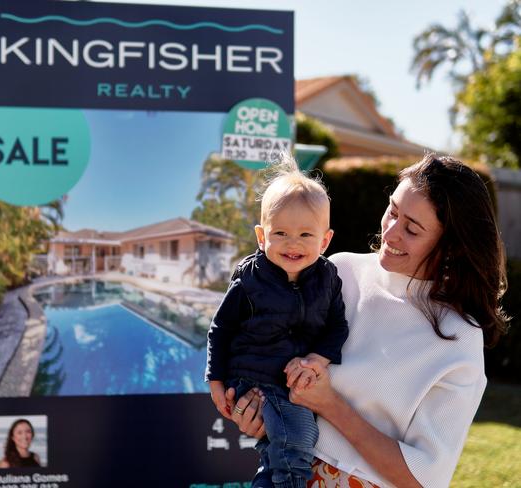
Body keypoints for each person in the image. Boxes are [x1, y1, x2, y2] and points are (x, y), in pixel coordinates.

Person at [230, 154, 508, 488]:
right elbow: (276, 358)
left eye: (412, 229)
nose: (390, 233)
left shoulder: (458, 336)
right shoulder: (338, 272)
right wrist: (258, 410)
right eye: (392, 210)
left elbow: (425, 479)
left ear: (450, 246)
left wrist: (330, 405)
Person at [205, 154, 349, 488]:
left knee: (279, 453)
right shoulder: (250, 280)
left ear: (325, 240)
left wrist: (317, 359)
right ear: (261, 235)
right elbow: (220, 329)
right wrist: (215, 380)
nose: (292, 244)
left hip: (291, 382)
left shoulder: (327, 278)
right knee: (298, 437)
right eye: (280, 232)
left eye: (305, 235)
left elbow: (336, 327)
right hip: (254, 377)